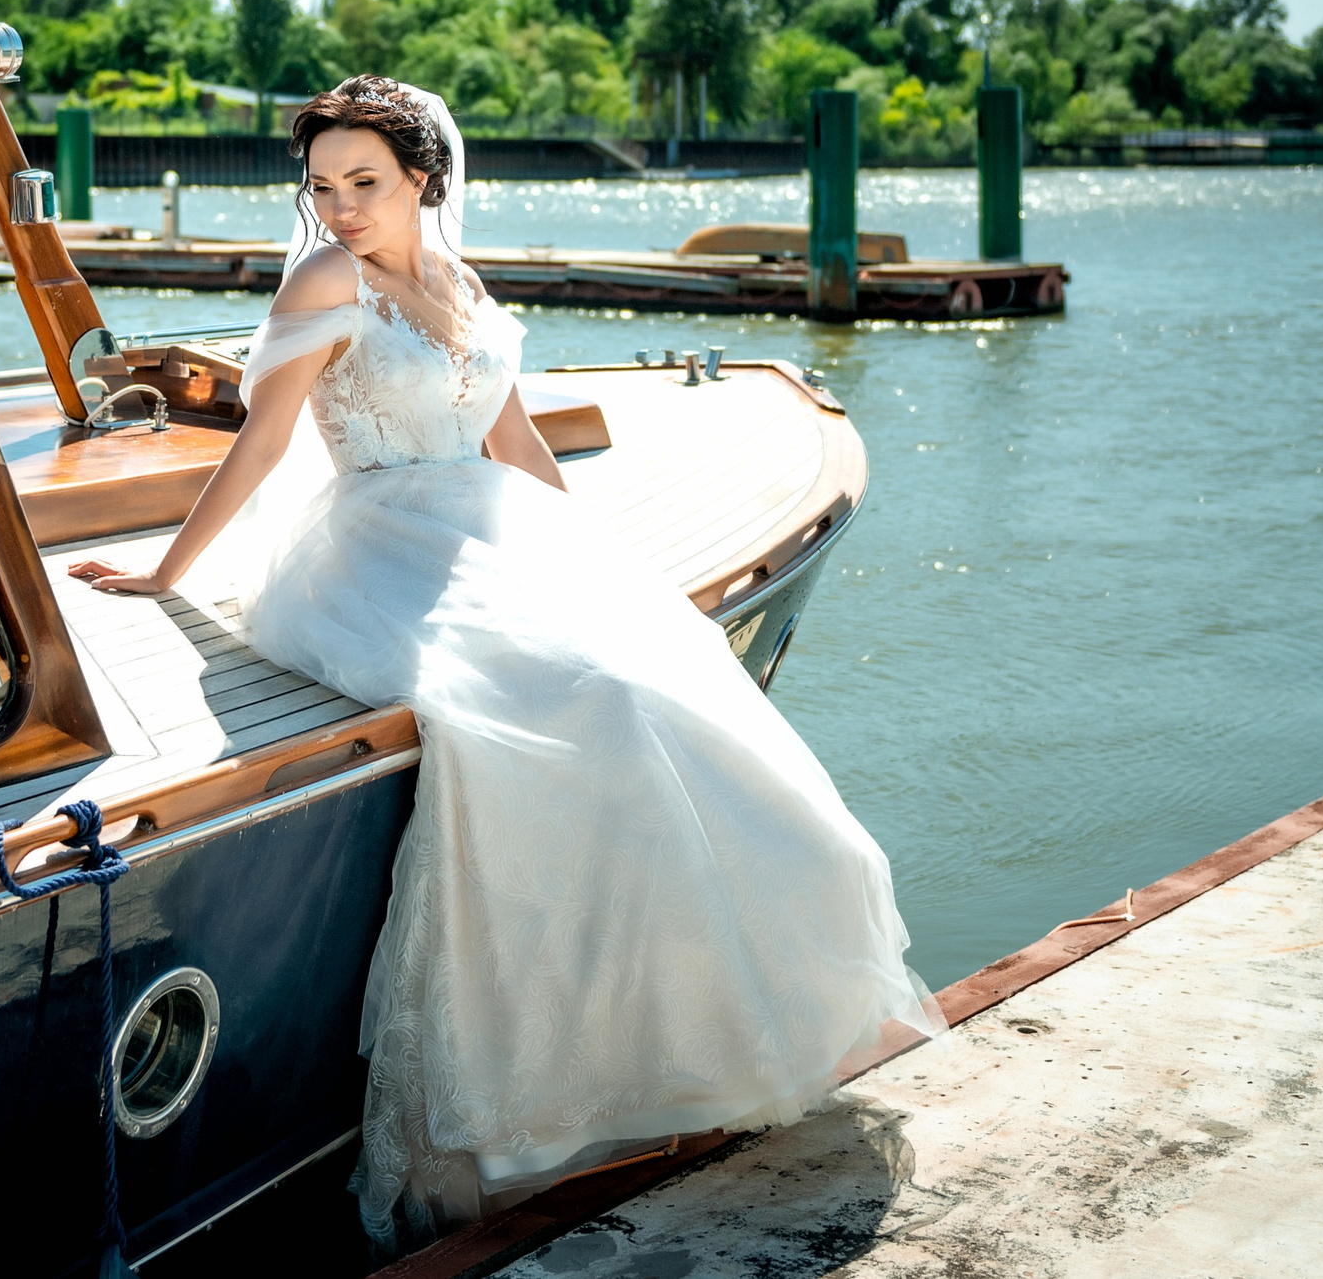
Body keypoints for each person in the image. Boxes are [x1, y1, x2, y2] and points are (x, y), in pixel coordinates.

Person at [68, 76, 935, 1253]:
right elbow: (263, 438)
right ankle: (542, 1088)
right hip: (375, 541)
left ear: (424, 179)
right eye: (321, 186)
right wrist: (170, 575)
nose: (338, 208)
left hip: (492, 527)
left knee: (650, 669)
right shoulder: (325, 279)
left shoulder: (463, 282)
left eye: (363, 183)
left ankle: (689, 1031)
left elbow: (513, 436)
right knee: (574, 707)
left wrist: (603, 563)